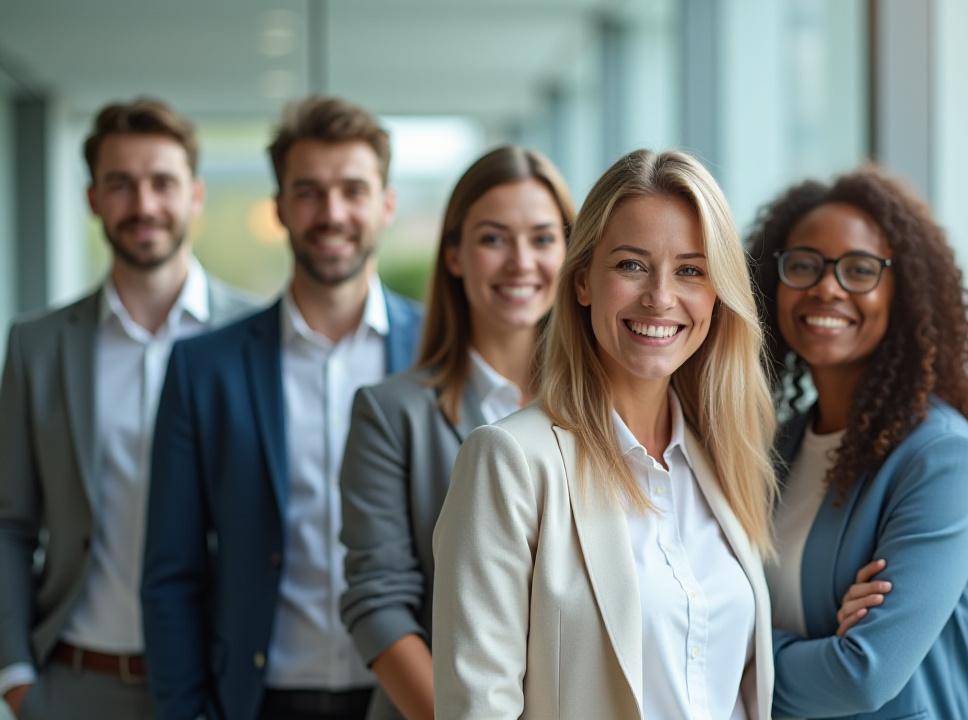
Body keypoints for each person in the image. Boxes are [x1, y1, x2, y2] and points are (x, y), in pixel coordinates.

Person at [432, 149, 778, 720]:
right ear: (584, 281)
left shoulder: (725, 459)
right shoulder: (512, 461)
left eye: (690, 270)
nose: (661, 297)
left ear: (718, 295)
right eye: (632, 265)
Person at [140, 96, 423, 720]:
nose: (333, 213)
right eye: (309, 192)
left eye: (353, 190)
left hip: (409, 698)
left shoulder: (437, 355)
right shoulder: (202, 368)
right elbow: (170, 572)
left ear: (386, 204)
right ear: (280, 208)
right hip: (258, 698)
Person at [0, 98, 256, 720]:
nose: (143, 206)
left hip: (216, 683)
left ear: (195, 194)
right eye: (121, 184)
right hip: (74, 681)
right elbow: (9, 521)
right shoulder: (38, 345)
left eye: (162, 183)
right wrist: (15, 676)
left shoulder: (255, 337)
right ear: (92, 198)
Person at [748, 168, 968, 719]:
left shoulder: (940, 458)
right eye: (803, 265)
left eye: (860, 270)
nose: (826, 287)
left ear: (904, 292)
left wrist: (726, 656)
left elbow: (863, 675)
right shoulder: (777, 445)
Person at [338, 145, 574, 719]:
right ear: (454, 255)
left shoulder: (600, 412)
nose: (521, 261)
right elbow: (379, 607)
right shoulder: (390, 414)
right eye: (494, 239)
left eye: (543, 238)